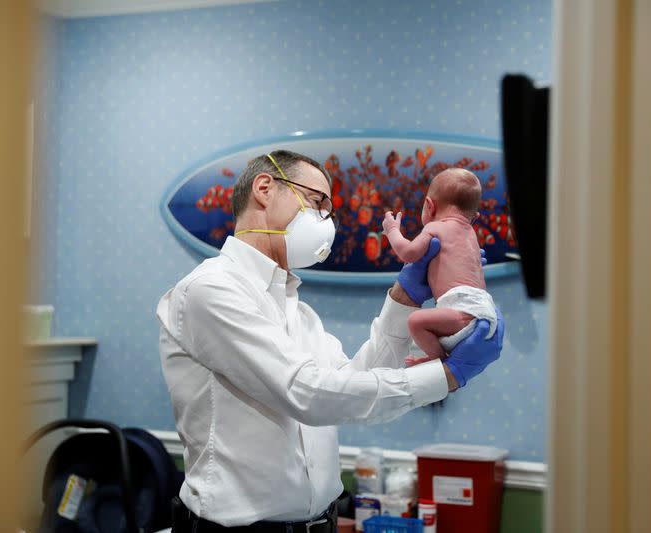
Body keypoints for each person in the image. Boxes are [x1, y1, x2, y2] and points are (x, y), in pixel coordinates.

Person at [156, 150, 504, 533]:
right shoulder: (210, 290)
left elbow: (355, 386)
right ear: (264, 188)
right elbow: (309, 394)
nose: (326, 221)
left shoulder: (299, 315)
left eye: (329, 210)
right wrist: (447, 375)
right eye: (318, 202)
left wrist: (404, 298)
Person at [382, 168, 498, 365]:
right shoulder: (471, 234)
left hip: (463, 312)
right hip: (486, 310)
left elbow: (408, 253)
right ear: (475, 217)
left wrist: (392, 230)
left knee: (415, 322)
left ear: (429, 206)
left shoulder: (435, 227)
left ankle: (440, 361)